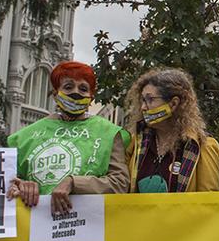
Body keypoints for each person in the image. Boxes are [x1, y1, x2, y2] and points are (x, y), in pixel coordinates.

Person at [8, 62, 130, 206]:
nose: (76, 93)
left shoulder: (109, 133)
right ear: (55, 94)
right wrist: (21, 186)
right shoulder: (23, 137)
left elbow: (120, 183)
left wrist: (74, 182)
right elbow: (8, 182)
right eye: (68, 87)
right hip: (35, 221)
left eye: (83, 89)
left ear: (91, 97)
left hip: (88, 222)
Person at [123, 68, 219, 193]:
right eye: (142, 100)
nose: (143, 107)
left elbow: (209, 201)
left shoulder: (203, 147)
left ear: (173, 104)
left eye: (150, 99)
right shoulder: (133, 144)